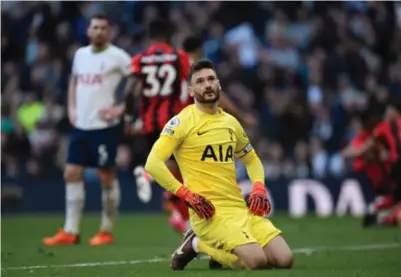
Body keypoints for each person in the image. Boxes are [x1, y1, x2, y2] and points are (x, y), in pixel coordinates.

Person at [145, 59, 293, 270]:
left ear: (219, 85)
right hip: (209, 212)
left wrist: (258, 187)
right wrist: (186, 195)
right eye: (200, 81)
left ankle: (214, 246)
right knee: (257, 261)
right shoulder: (182, 122)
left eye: (211, 79)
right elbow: (153, 163)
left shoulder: (230, 122)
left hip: (240, 209)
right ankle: (197, 244)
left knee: (284, 260)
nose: (207, 85)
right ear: (191, 90)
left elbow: (252, 160)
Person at [43, 14, 133, 246]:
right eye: (96, 27)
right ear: (89, 31)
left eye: (104, 27)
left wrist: (120, 108)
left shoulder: (119, 57)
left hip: (105, 127)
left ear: (109, 32)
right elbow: (74, 81)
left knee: (106, 176)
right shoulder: (80, 55)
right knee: (71, 173)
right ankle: (71, 231)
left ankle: (106, 229)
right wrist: (72, 107)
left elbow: (136, 82)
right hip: (82, 125)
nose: (99, 31)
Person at [125, 19, 192, 234]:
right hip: (173, 121)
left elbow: (131, 91)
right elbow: (188, 85)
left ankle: (176, 211)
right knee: (179, 168)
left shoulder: (140, 59)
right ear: (168, 36)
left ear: (150, 36)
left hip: (149, 123)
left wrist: (128, 117)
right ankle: (149, 177)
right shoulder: (179, 57)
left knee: (170, 167)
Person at [342, 98, 401, 227]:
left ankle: (378, 212)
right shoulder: (384, 127)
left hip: (396, 164)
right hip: (396, 165)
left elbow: (364, 147)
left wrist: (347, 154)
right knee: (396, 197)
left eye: (389, 111)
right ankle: (382, 215)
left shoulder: (383, 127)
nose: (386, 114)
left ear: (396, 112)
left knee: (396, 197)